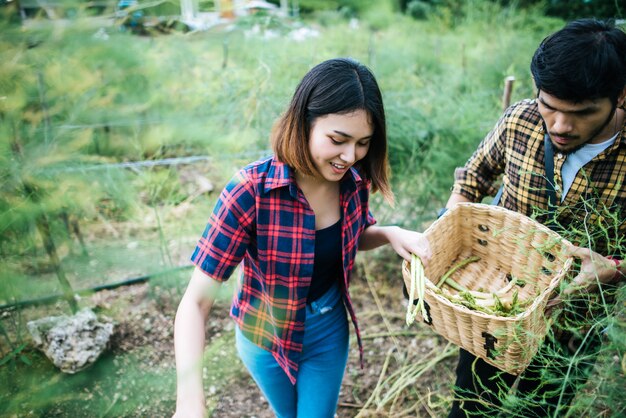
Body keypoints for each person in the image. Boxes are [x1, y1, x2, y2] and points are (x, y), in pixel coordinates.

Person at [173, 58, 432, 418]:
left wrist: (389, 233)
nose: (349, 156)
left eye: (362, 143)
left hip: (327, 330)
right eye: (338, 140)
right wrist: (190, 402)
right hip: (264, 336)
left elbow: (348, 238)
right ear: (303, 122)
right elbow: (195, 304)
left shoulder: (354, 181)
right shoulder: (250, 191)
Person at [444, 19, 626, 417]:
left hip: (573, 326)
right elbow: (473, 177)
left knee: (540, 410)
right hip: (494, 307)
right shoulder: (520, 120)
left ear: (620, 96)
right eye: (550, 106)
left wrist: (614, 269)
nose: (560, 125)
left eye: (581, 113)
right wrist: (453, 218)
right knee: (471, 406)